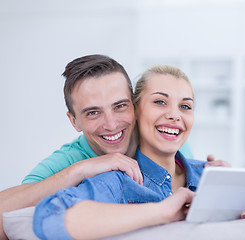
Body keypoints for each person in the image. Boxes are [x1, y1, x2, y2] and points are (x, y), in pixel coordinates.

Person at [33, 65, 245, 239]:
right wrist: (161, 212)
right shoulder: (120, 180)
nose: (175, 114)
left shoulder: (211, 175)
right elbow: (47, 216)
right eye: (160, 102)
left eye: (185, 106)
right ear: (134, 111)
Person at [0, 55, 226, 239]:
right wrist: (81, 169)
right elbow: (20, 221)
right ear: (74, 121)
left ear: (135, 107)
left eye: (120, 106)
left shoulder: (169, 143)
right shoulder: (69, 163)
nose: (111, 124)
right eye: (93, 112)